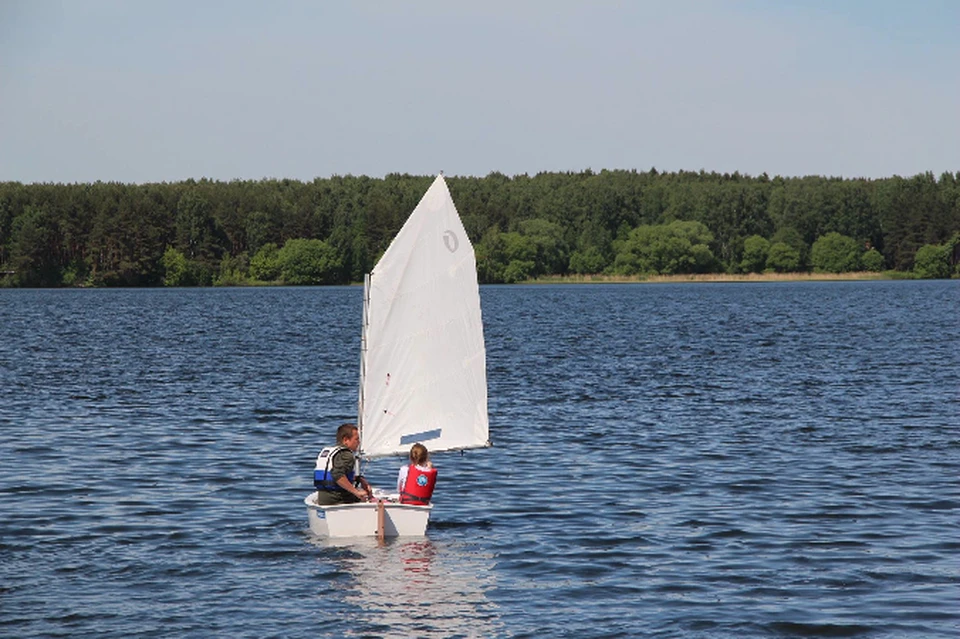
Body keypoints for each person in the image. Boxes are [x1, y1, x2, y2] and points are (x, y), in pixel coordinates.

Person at [314, 423, 373, 505]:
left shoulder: (331, 452)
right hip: (338, 500)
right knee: (367, 497)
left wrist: (359, 479)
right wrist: (356, 492)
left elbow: (334, 473)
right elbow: (337, 475)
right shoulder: (347, 455)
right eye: (356, 439)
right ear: (346, 440)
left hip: (323, 499)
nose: (359, 443)